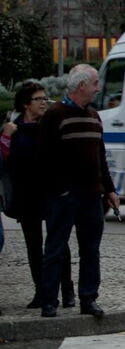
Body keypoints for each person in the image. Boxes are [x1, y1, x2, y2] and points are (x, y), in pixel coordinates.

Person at [38, 64, 119, 319]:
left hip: (91, 195)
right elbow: (43, 157)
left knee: (90, 250)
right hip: (64, 197)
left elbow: (100, 157)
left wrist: (110, 190)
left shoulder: (94, 117)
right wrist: (58, 190)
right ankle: (49, 301)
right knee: (55, 248)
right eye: (95, 83)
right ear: (82, 85)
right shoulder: (55, 115)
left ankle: (88, 298)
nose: (97, 88)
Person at [1, 82, 75, 310]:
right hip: (25, 195)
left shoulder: (50, 125)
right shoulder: (13, 128)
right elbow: (4, 161)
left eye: (45, 98)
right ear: (25, 104)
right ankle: (41, 292)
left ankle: (67, 290)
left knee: (58, 244)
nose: (44, 102)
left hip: (51, 192)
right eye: (39, 99)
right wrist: (5, 137)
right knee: (33, 246)